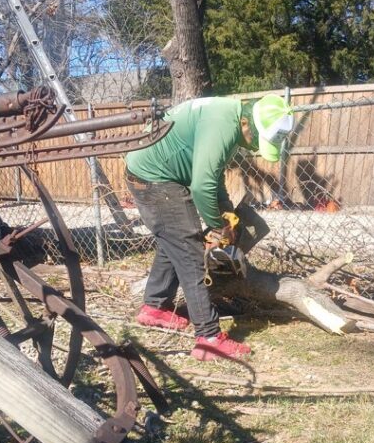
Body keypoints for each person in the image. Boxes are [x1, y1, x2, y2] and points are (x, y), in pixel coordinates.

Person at [125, 93, 294, 360]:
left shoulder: (229, 118)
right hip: (154, 177)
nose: (252, 147)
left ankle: (154, 307)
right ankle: (209, 338)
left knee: (175, 238)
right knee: (190, 251)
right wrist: (217, 226)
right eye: (255, 140)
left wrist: (226, 212)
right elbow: (201, 185)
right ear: (247, 124)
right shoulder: (224, 125)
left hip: (154, 173)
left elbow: (212, 179)